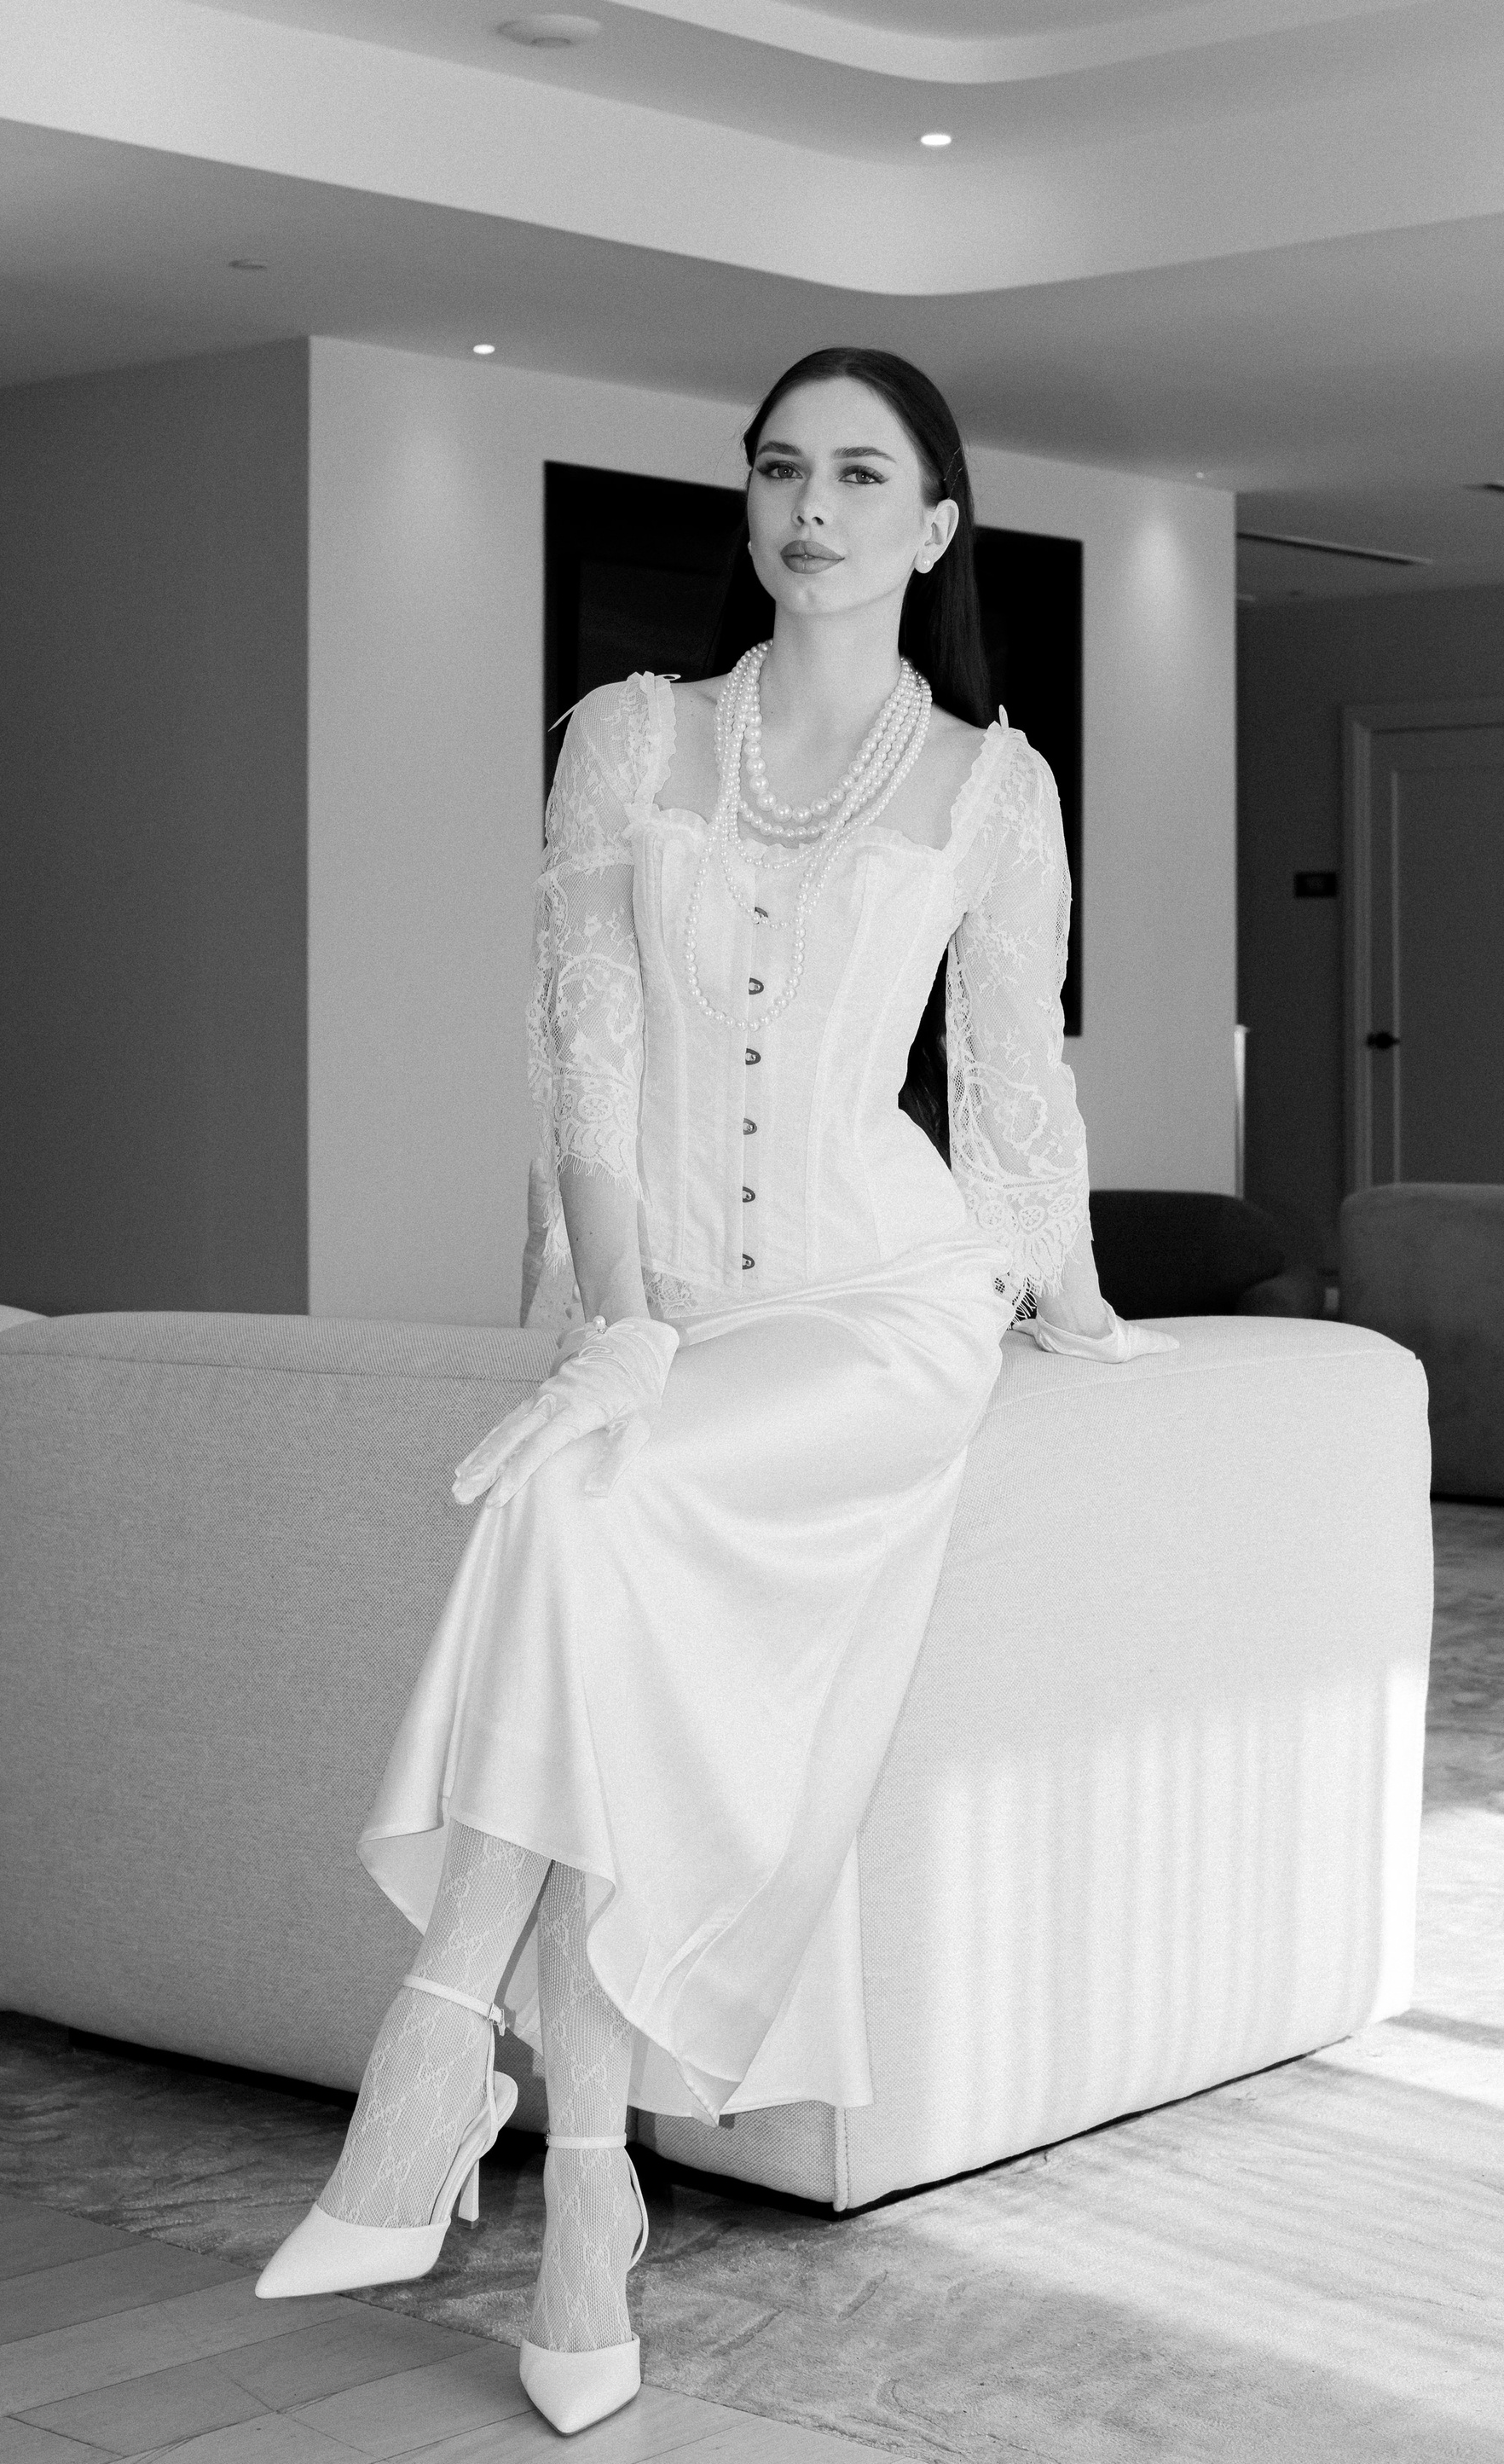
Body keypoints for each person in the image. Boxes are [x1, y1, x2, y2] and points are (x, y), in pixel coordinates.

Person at [256, 348, 1171, 2432]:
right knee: (594, 1503)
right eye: (778, 471)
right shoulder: (629, 737)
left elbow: (1013, 1092)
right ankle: (586, 2206)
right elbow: (582, 1054)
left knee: (587, 1501)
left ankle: (430, 2062)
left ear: (935, 527)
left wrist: (1076, 1299)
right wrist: (621, 1319)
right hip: (662, 1300)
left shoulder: (994, 789)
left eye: (859, 476)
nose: (810, 508)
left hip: (878, 1305)